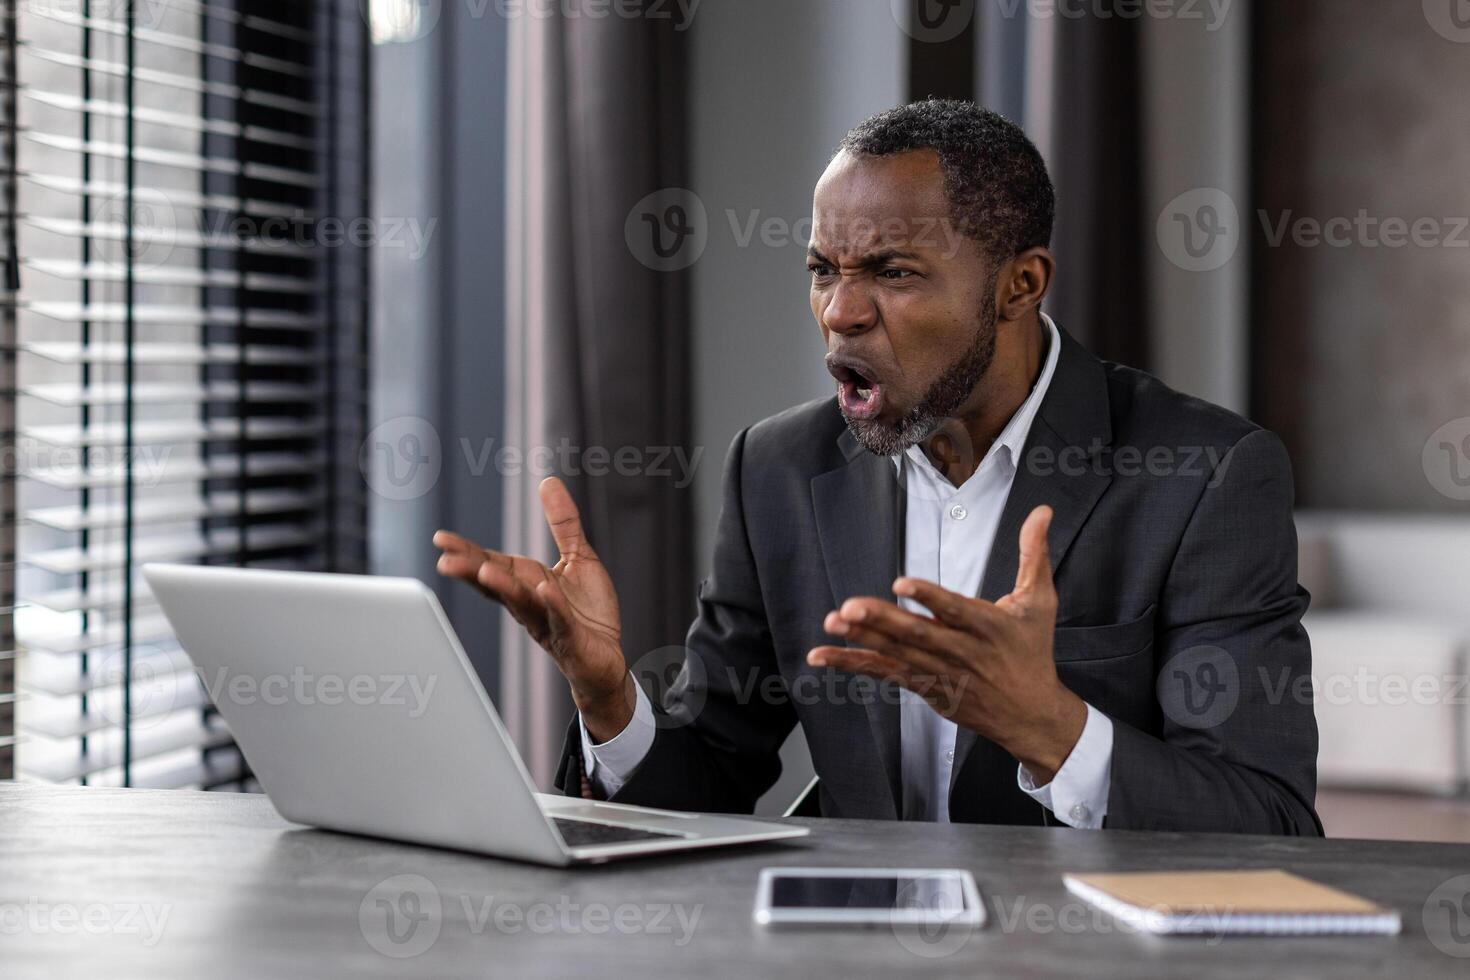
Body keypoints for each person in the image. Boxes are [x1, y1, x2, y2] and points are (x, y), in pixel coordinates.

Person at [434, 100, 1321, 833]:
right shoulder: (777, 468)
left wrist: (1049, 727)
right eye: (823, 269)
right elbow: (707, 783)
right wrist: (609, 699)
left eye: (892, 273)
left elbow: (1272, 824)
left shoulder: (1204, 473)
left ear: (1020, 284)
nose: (841, 312)